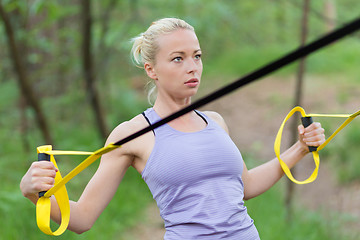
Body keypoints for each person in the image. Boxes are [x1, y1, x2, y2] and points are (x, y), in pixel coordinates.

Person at [20, 18, 325, 239]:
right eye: (177, 58)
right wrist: (35, 195)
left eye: (197, 56)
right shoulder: (132, 134)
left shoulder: (215, 122)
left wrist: (300, 149)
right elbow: (84, 217)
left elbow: (244, 187)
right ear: (151, 69)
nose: (192, 67)